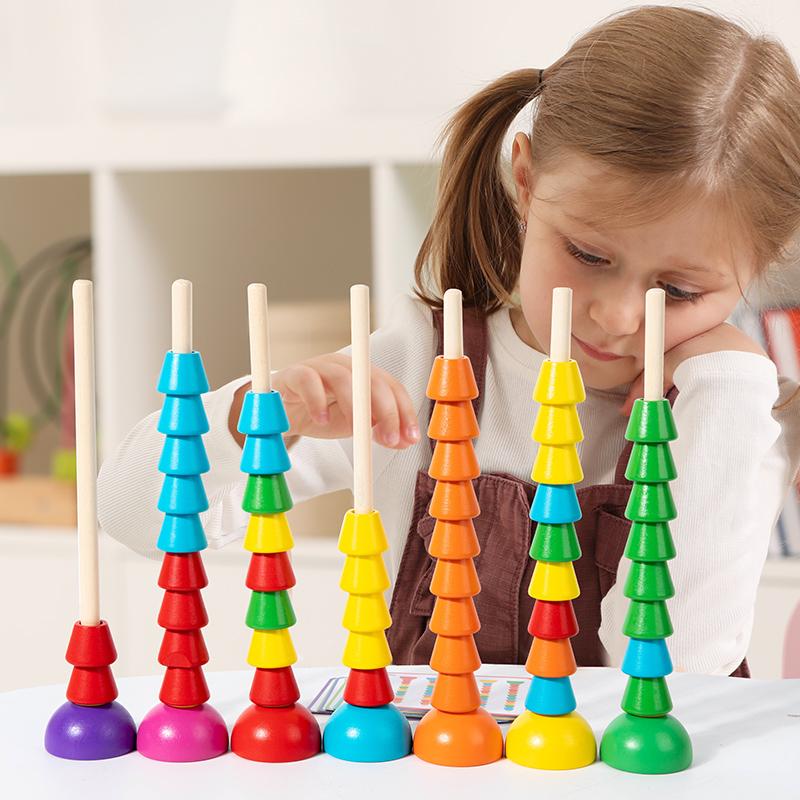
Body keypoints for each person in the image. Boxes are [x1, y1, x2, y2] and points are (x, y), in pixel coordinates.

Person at [98, 6, 800, 676]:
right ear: (525, 183)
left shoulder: (728, 411)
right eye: (587, 254)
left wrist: (728, 388)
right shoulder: (425, 364)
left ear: (754, 274)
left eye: (677, 293)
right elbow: (129, 512)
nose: (617, 318)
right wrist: (259, 412)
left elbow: (676, 674)